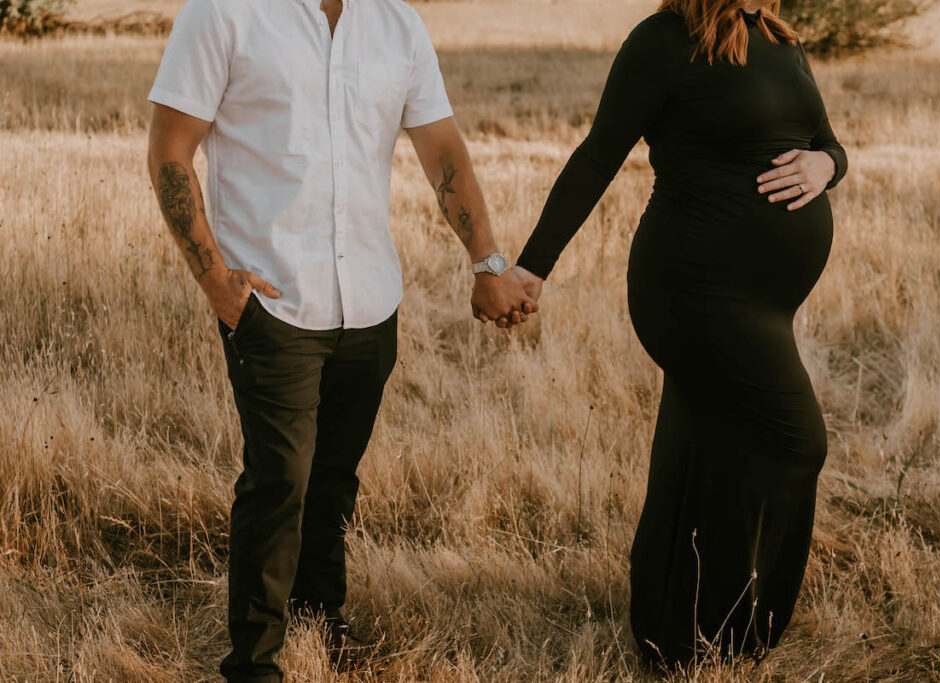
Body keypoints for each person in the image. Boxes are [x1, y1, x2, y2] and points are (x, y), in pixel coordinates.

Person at [145, 0, 535, 679]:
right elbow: (170, 151)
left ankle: (319, 618)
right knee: (280, 482)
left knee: (332, 480)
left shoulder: (397, 24)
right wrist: (216, 284)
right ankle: (257, 662)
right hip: (273, 303)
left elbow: (442, 149)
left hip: (369, 304)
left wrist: (487, 262)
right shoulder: (224, 12)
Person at [509, 0, 848, 667]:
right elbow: (598, 155)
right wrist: (531, 266)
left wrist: (826, 167)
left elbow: (828, 142)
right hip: (694, 292)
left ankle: (677, 629)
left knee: (703, 447)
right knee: (794, 440)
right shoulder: (663, 42)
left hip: (764, 300)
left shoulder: (779, 39)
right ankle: (735, 630)